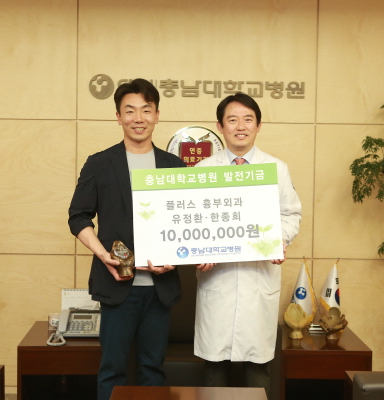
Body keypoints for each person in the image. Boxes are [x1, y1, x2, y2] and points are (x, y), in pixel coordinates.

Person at [68, 78, 185, 400]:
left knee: (153, 369)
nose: (138, 118)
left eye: (146, 110)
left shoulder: (174, 166)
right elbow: (78, 217)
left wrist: (175, 259)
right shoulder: (100, 163)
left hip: (160, 289)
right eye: (130, 111)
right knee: (113, 369)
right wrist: (102, 253)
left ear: (157, 115)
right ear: (118, 117)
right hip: (117, 285)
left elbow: (185, 224)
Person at [194, 92, 302, 394]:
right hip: (218, 281)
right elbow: (195, 223)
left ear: (258, 125)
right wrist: (200, 251)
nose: (240, 126)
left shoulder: (276, 168)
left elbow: (290, 214)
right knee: (214, 369)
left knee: (258, 370)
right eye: (232, 120)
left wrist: (279, 239)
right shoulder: (203, 171)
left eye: (247, 119)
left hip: (259, 278)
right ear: (220, 126)